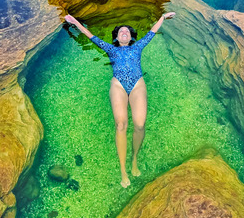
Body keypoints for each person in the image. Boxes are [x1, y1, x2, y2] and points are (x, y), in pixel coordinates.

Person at [64, 12, 176, 188]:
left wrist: (162, 17)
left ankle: (134, 159)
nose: (124, 32)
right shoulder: (111, 49)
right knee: (121, 125)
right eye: (121, 31)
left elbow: (152, 32)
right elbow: (90, 35)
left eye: (127, 31)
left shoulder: (138, 47)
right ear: (116, 37)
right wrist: (74, 22)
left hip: (137, 84)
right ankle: (123, 169)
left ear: (131, 37)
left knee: (139, 124)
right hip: (118, 85)